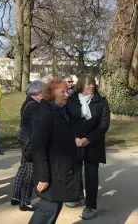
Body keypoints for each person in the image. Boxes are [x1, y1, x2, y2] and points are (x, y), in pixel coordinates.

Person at [29, 78, 82, 224]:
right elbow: (38, 146)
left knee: (54, 207)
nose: (67, 95)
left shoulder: (60, 110)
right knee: (48, 209)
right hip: (51, 172)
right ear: (51, 93)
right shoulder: (45, 112)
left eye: (67, 91)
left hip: (60, 170)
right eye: (63, 92)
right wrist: (43, 177)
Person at [66, 74, 110, 220]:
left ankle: (90, 206)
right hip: (75, 142)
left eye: (93, 84)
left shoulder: (101, 101)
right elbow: (66, 120)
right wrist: (74, 138)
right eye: (88, 84)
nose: (91, 86)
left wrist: (88, 139)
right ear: (81, 85)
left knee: (91, 175)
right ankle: (76, 196)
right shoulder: (71, 100)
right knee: (75, 171)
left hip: (93, 143)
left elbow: (104, 124)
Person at [12, 80, 44, 212]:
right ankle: (25, 202)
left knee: (23, 168)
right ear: (37, 92)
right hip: (31, 143)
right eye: (43, 91)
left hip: (25, 140)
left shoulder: (28, 102)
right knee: (30, 173)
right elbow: (38, 127)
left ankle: (16, 197)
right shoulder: (34, 106)